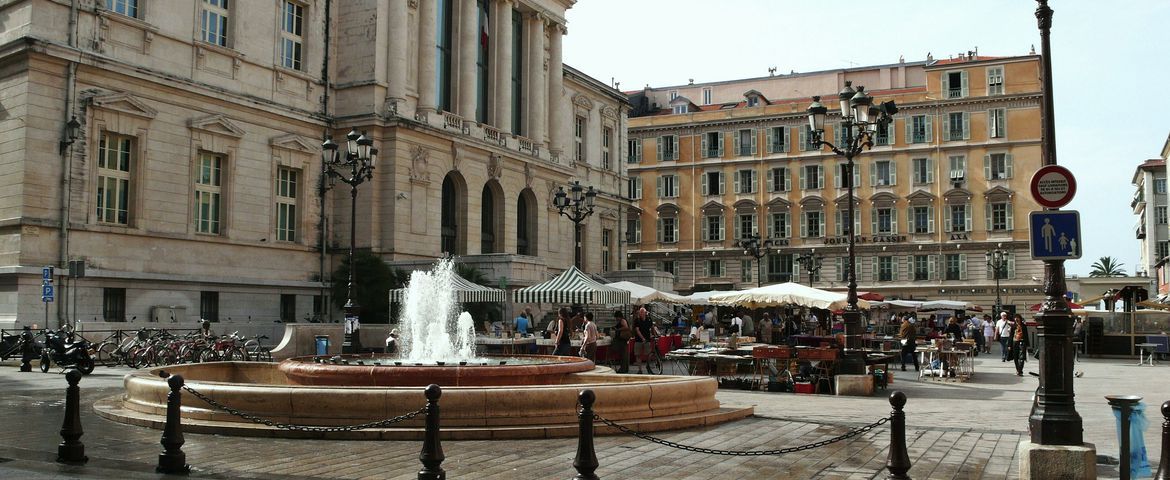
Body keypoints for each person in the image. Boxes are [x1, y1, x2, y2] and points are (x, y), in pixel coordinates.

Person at [633, 306, 655, 373]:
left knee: (648, 354)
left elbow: (652, 327)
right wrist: (642, 338)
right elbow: (637, 330)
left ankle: (648, 366)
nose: (641, 313)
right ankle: (640, 369)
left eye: (643, 312)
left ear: (645, 313)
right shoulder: (637, 320)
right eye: (640, 312)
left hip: (647, 339)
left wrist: (654, 334)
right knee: (638, 354)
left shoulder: (649, 319)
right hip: (638, 340)